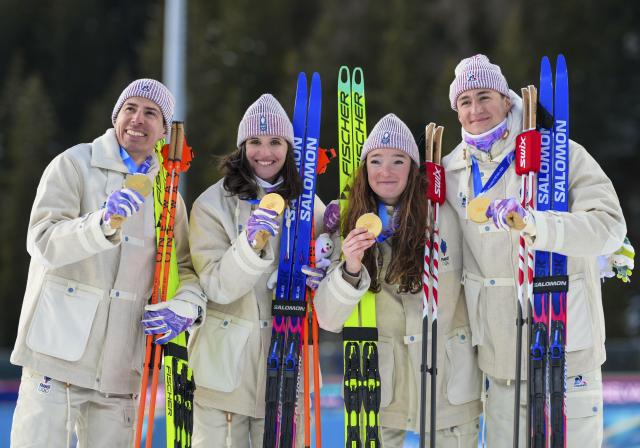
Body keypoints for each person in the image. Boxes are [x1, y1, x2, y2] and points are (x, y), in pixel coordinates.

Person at [9, 79, 205, 447]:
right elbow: (42, 241)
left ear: (164, 130)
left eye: (151, 113)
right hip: (56, 360)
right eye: (130, 109)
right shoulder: (74, 164)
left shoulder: (168, 196)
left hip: (122, 371)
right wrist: (100, 223)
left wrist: (186, 306)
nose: (138, 119)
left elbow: (185, 270)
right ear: (116, 116)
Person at [443, 54, 626, 447]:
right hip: (500, 360)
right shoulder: (450, 171)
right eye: (465, 101)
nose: (476, 109)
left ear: (507, 100)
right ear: (455, 109)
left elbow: (610, 226)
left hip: (567, 347)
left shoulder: (558, 152)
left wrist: (538, 226)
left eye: (485, 96)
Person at [314, 113, 482, 447]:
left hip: (448, 384)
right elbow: (329, 319)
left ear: (413, 168)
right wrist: (350, 264)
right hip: (377, 389)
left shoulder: (446, 215)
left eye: (397, 160)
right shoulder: (344, 221)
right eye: (375, 160)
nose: (385, 171)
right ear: (364, 169)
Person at [188, 93, 324, 447]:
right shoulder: (211, 205)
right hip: (223, 371)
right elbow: (216, 286)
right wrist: (248, 245)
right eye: (255, 142)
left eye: (275, 142)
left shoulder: (308, 204)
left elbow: (331, 273)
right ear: (241, 147)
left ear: (289, 147)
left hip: (286, 367)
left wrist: (331, 252)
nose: (265, 152)